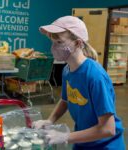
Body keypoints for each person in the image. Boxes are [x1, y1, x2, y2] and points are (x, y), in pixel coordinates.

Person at [32, 16, 125, 150]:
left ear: (78, 43)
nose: (54, 48)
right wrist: (50, 120)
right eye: (52, 42)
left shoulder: (95, 76)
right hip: (83, 140)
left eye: (59, 42)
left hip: (105, 145)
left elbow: (107, 129)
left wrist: (65, 136)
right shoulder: (67, 70)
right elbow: (65, 99)